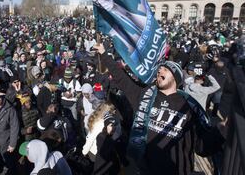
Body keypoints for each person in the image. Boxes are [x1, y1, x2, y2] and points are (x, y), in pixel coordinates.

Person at [93, 43, 224, 175]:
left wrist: (220, 132)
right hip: (145, 170)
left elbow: (201, 147)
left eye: (165, 70)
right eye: (159, 70)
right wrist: (104, 54)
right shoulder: (145, 95)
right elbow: (122, 78)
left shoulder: (189, 106)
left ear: (176, 77)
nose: (160, 71)